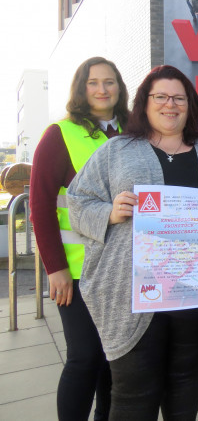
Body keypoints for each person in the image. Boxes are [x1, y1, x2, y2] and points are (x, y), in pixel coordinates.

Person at [66, 65, 198, 420]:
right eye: (160, 97)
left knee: (184, 390)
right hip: (134, 298)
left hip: (194, 293)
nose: (170, 105)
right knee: (133, 396)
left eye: (179, 98)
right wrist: (110, 212)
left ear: (191, 106)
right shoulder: (117, 151)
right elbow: (78, 200)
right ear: (144, 104)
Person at [30, 56, 128, 421]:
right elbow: (40, 204)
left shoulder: (132, 131)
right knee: (84, 357)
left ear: (120, 88)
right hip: (76, 271)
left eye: (109, 82)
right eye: (93, 82)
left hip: (122, 268)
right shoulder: (60, 133)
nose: (102, 89)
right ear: (81, 89)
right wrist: (54, 268)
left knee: (112, 357)